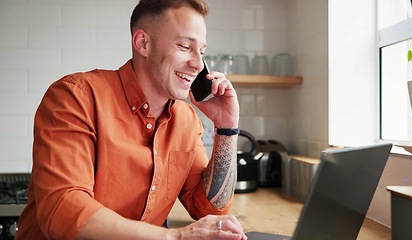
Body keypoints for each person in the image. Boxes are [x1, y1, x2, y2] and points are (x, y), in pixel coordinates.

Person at [16, 0, 247, 239]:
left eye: (201, 52)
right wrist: (176, 237)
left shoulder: (186, 120)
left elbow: (209, 208)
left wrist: (227, 127)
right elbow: (63, 211)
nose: (198, 64)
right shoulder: (75, 97)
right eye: (184, 46)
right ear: (143, 43)